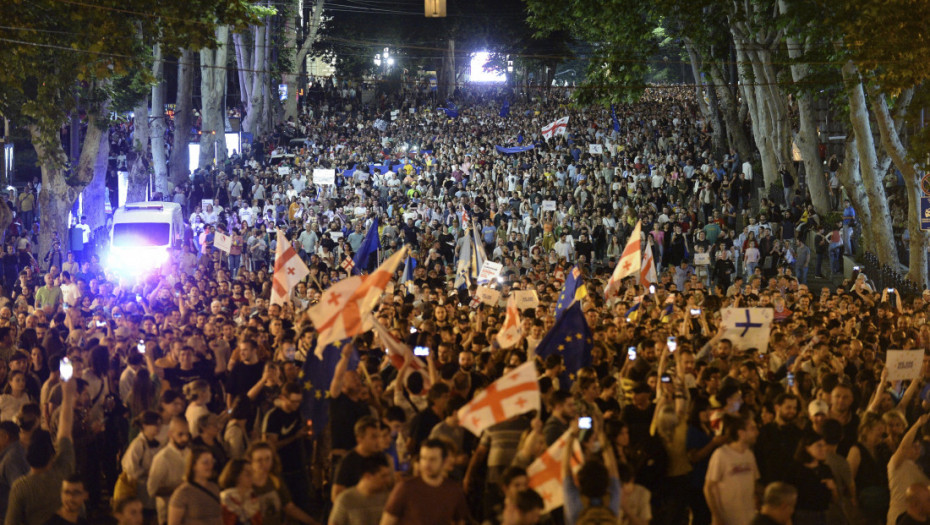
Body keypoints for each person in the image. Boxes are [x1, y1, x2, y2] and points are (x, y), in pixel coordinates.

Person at [5, 369, 75, 525]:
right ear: (51, 454)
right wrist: (68, 396)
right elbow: (65, 431)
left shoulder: (21, 488)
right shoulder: (63, 472)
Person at [380, 439, 469, 525]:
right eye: (423, 458)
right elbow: (387, 521)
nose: (427, 464)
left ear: (444, 461)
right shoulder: (405, 488)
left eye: (432, 459)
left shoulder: (453, 490)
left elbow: (459, 521)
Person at [704, 414, 760, 525]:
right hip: (727, 519)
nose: (757, 432)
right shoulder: (721, 455)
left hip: (748, 518)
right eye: (752, 429)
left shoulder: (749, 455)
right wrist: (716, 516)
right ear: (741, 433)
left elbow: (753, 483)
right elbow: (709, 488)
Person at [147, 417, 192, 525]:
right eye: (180, 434)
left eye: (187, 434)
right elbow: (152, 490)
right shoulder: (162, 458)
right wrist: (180, 488)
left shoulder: (189, 453)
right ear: (170, 434)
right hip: (168, 515)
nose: (185, 438)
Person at [329, 454, 393, 525]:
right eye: (383, 476)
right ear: (367, 476)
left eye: (388, 475)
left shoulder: (387, 497)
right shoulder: (345, 500)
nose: (388, 480)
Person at [166, 446, 223, 525]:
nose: (210, 466)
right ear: (194, 465)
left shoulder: (214, 488)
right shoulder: (183, 493)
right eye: (205, 462)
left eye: (212, 462)